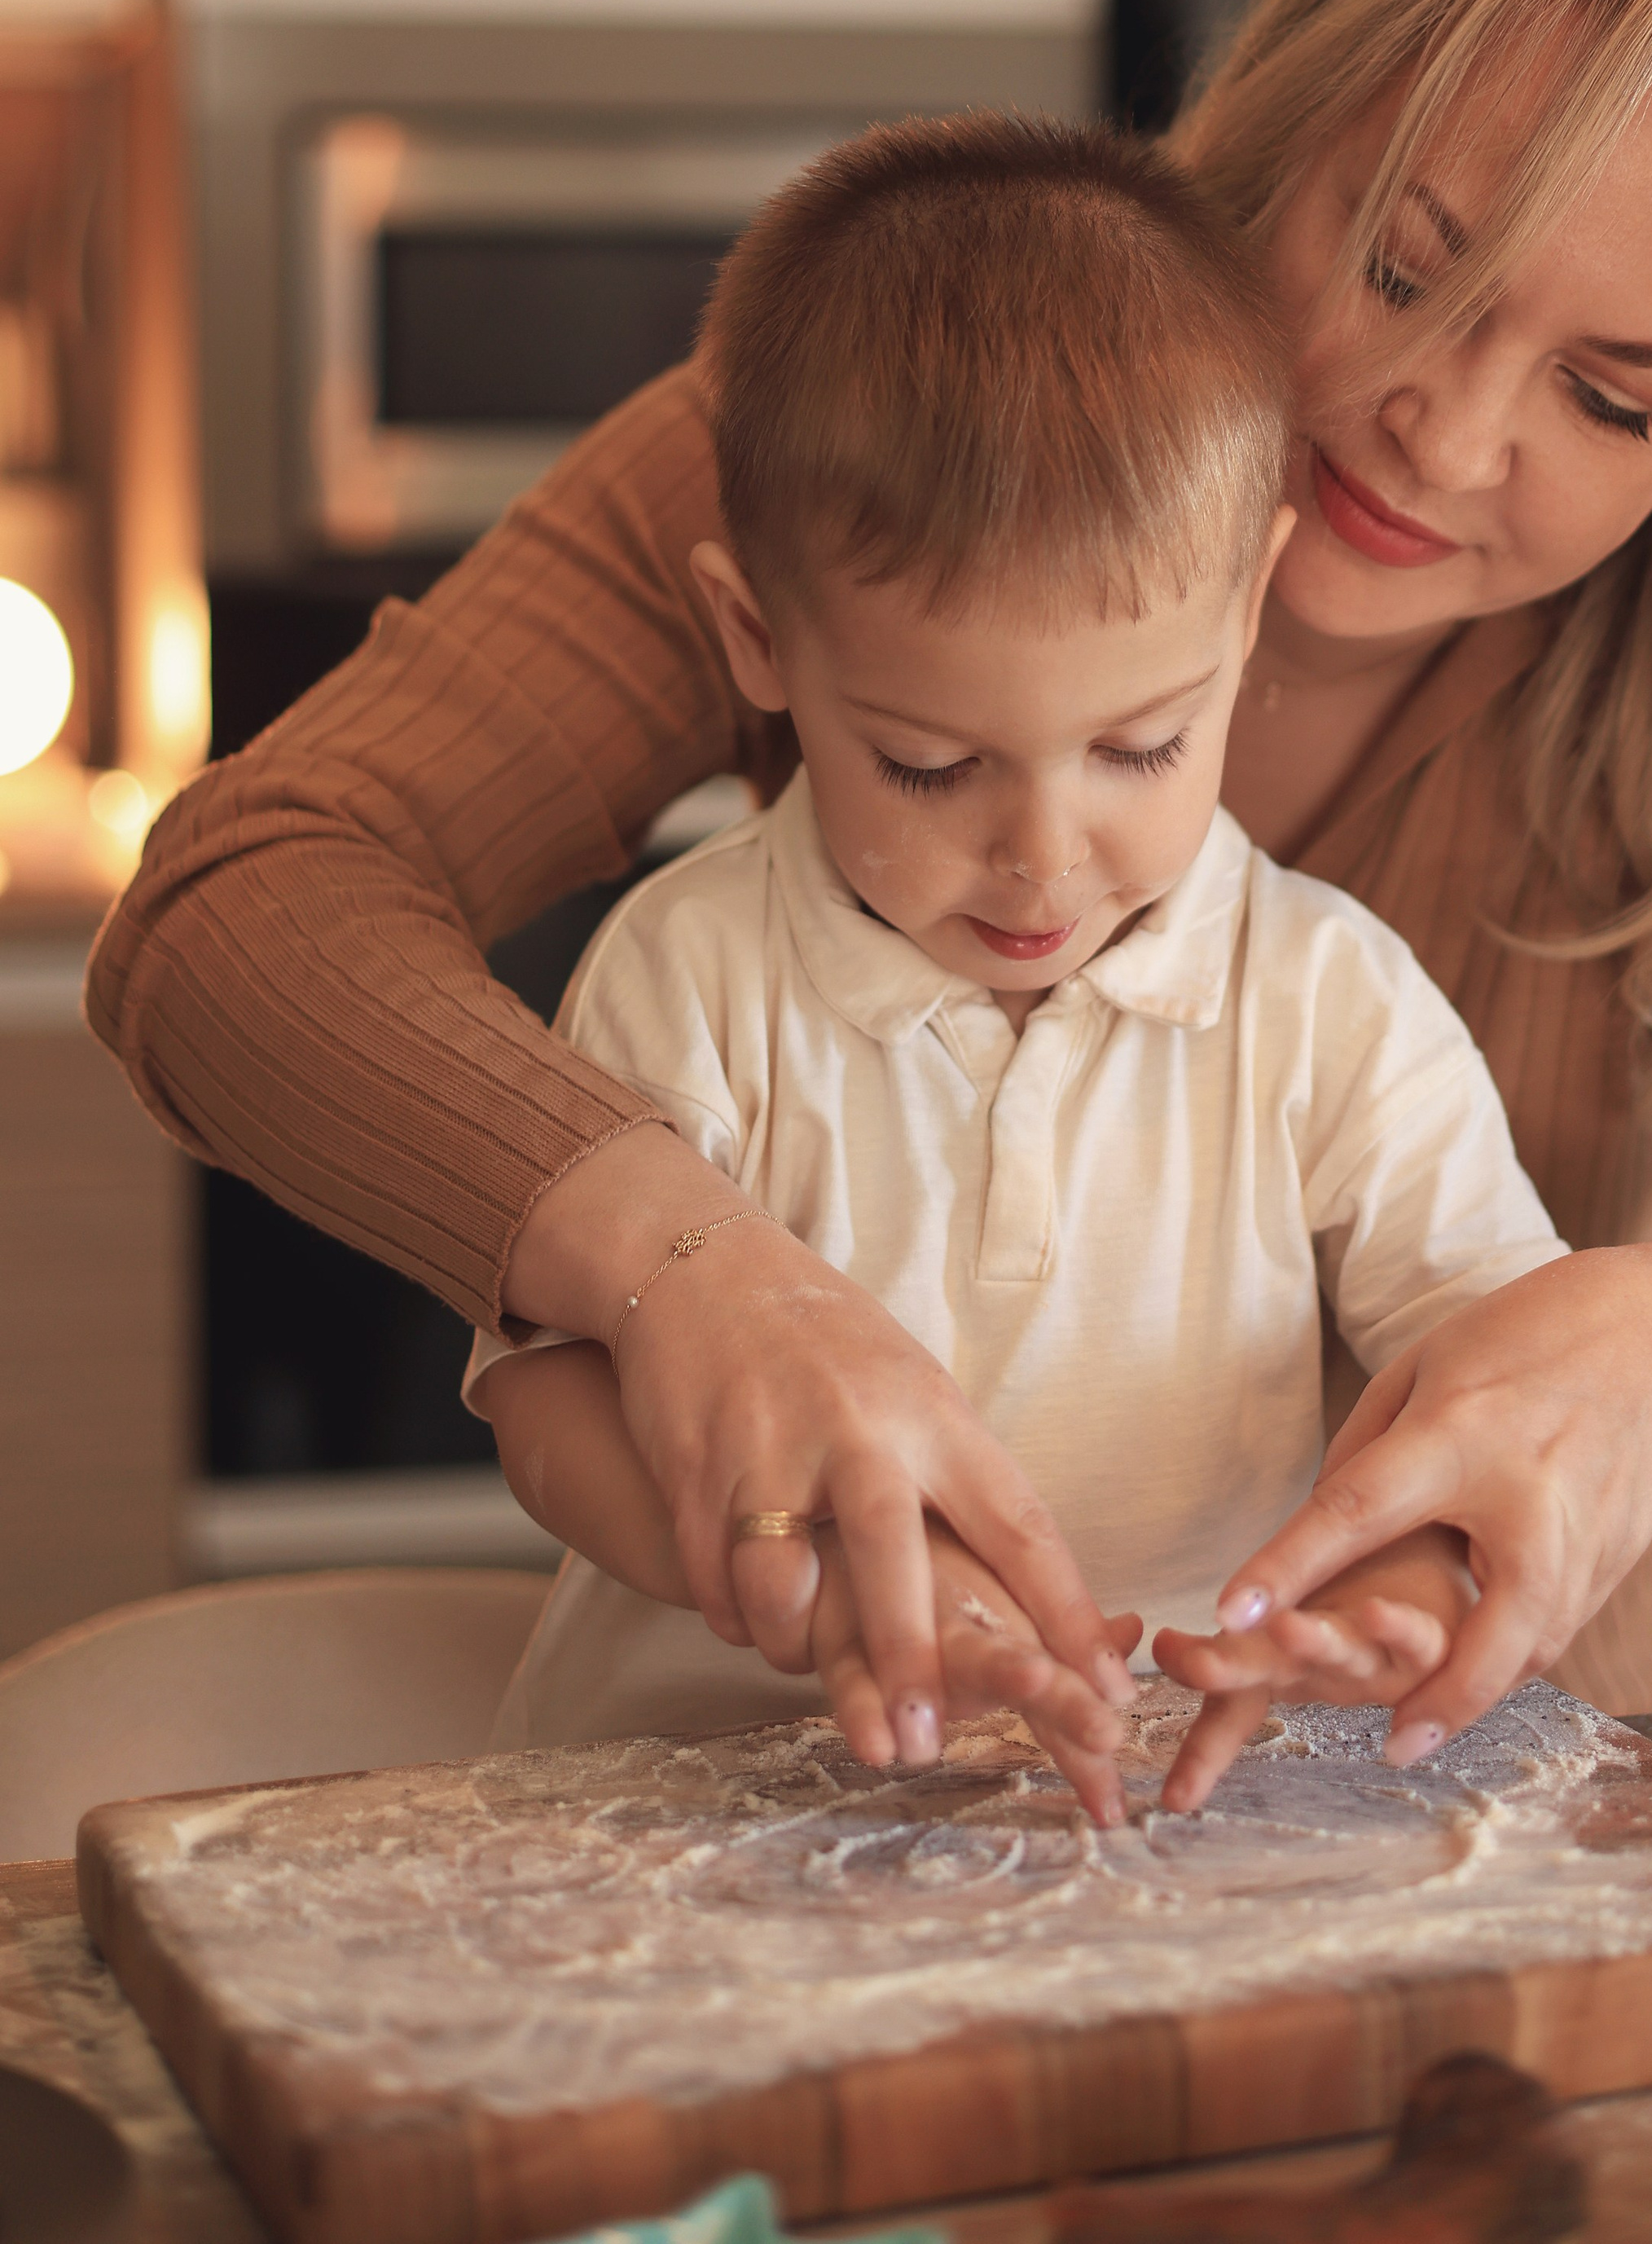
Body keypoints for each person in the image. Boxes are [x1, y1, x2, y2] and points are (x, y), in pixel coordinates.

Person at [90, 0, 1652, 1790]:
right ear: (1285, 131)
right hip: (830, 1772)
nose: (1438, 433)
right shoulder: (895, 441)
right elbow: (239, 910)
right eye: (1399, 270)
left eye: (1605, 397)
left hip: (1465, 1784)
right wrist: (686, 1269)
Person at [465, 117, 1563, 1820]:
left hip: (1153, 1827)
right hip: (695, 1826)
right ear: (759, 639)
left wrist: (1394, 1596)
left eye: (1140, 746)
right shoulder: (693, 973)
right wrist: (829, 1586)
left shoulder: (1329, 1005)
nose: (1043, 858)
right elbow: (547, 1404)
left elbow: (1488, 1374)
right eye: (925, 765)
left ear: (1246, 608)